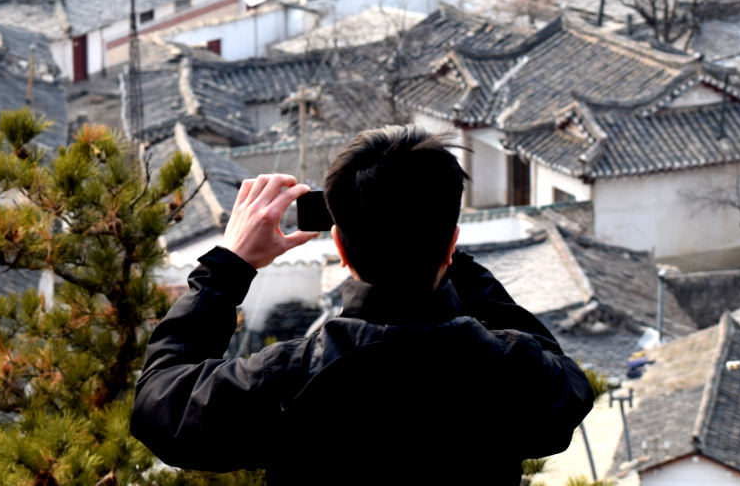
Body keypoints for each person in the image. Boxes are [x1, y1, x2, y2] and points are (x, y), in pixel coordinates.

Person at [131, 127, 595, 484]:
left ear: (341, 246)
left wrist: (227, 267)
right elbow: (564, 379)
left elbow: (158, 405)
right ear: (451, 243)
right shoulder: (513, 371)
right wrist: (435, 242)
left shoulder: (288, 378)